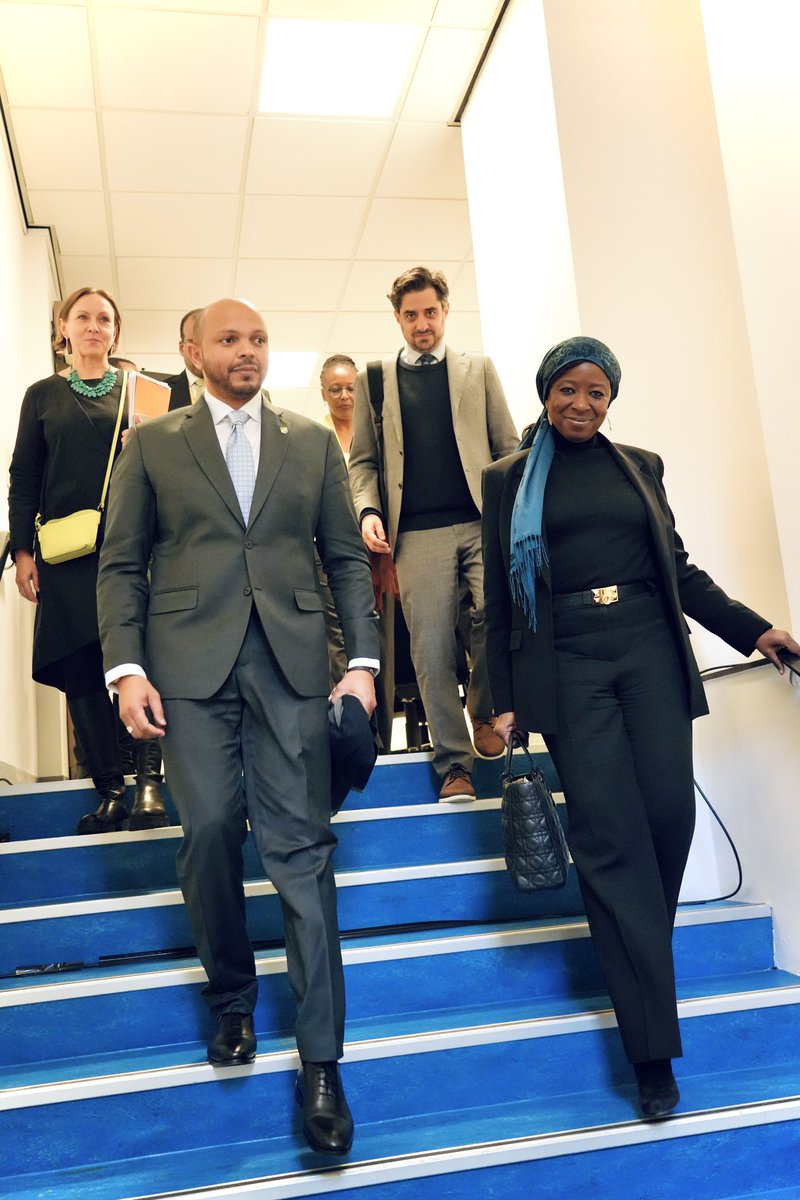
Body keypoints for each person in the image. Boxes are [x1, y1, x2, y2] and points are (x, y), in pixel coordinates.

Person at [481, 335, 800, 1119]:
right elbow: (496, 594)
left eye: (596, 393)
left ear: (611, 400)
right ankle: (650, 1050)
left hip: (651, 654)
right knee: (610, 835)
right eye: (568, 390)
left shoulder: (641, 467)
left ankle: (634, 956)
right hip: (568, 667)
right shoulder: (509, 480)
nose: (581, 404)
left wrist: (755, 629)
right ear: (545, 393)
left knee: (668, 814)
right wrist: (497, 696)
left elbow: (679, 570)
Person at [96, 298, 379, 1156]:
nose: (247, 351)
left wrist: (361, 664)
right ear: (194, 352)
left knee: (302, 852)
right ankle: (231, 1000)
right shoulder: (151, 444)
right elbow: (120, 561)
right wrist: (126, 667)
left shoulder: (310, 442)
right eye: (230, 339)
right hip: (186, 671)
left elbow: (343, 559)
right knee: (212, 828)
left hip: (293, 668)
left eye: (258, 339)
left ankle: (323, 1062)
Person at [349, 266, 518, 800]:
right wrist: (367, 511)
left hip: (480, 520)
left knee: (497, 616)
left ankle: (485, 711)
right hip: (415, 534)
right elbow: (363, 464)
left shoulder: (479, 369)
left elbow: (508, 447)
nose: (422, 324)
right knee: (429, 647)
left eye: (430, 312)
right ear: (397, 318)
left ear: (446, 311)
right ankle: (452, 763)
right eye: (410, 315)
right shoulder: (374, 378)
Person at [8, 286, 167, 834]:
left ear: (116, 331)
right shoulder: (41, 396)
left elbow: (168, 475)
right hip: (64, 553)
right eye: (83, 317)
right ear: (65, 329)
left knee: (139, 659)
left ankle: (149, 784)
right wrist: (23, 552)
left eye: (105, 318)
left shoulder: (142, 393)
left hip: (132, 547)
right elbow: (24, 477)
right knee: (80, 668)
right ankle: (110, 791)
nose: (94, 326)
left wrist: (146, 445)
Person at [165, 308, 204, 410]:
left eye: (208, 342)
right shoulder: (160, 391)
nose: (201, 350)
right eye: (194, 342)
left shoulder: (239, 390)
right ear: (182, 348)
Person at [319, 354, 356, 458]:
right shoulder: (314, 431)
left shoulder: (375, 430)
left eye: (351, 389)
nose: (344, 396)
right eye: (335, 389)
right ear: (323, 394)